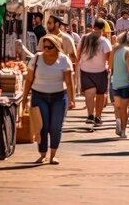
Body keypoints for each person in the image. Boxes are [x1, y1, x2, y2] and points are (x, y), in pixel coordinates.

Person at [21, 34, 75, 164]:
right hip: (39, 96)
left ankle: (53, 155)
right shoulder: (36, 59)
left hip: (59, 96)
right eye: (44, 47)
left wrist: (72, 99)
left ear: (57, 47)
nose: (46, 49)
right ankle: (42, 154)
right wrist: (24, 98)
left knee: (56, 126)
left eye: (49, 47)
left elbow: (68, 82)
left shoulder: (64, 60)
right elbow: (28, 80)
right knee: (42, 126)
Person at [78, 19, 112, 126]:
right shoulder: (104, 41)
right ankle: (98, 117)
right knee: (100, 95)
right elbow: (108, 57)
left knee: (89, 94)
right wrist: (109, 67)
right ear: (103, 29)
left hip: (85, 70)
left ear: (94, 27)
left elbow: (77, 55)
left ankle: (90, 115)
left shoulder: (83, 39)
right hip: (100, 71)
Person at [109, 32, 129, 138]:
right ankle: (123, 130)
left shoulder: (114, 50)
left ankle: (118, 122)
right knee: (124, 109)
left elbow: (110, 66)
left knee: (117, 106)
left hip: (115, 82)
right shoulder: (128, 52)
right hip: (126, 83)